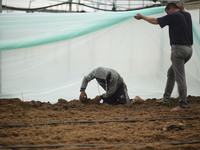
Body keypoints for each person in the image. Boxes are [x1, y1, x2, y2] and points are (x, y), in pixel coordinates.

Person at [134, 3, 193, 111]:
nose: (167, 15)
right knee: (171, 73)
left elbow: (155, 21)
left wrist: (142, 17)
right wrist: (182, 9)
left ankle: (183, 105)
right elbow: (184, 12)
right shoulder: (187, 15)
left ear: (170, 9)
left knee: (180, 78)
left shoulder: (173, 15)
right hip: (189, 50)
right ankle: (166, 99)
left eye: (167, 12)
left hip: (179, 50)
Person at [79, 67, 145, 105]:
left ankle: (136, 99)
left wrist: (100, 97)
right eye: (97, 79)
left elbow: (111, 91)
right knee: (107, 104)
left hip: (119, 86)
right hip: (109, 89)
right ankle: (116, 100)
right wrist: (82, 91)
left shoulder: (113, 77)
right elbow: (86, 79)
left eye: (100, 79)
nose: (98, 80)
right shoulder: (95, 73)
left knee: (125, 103)